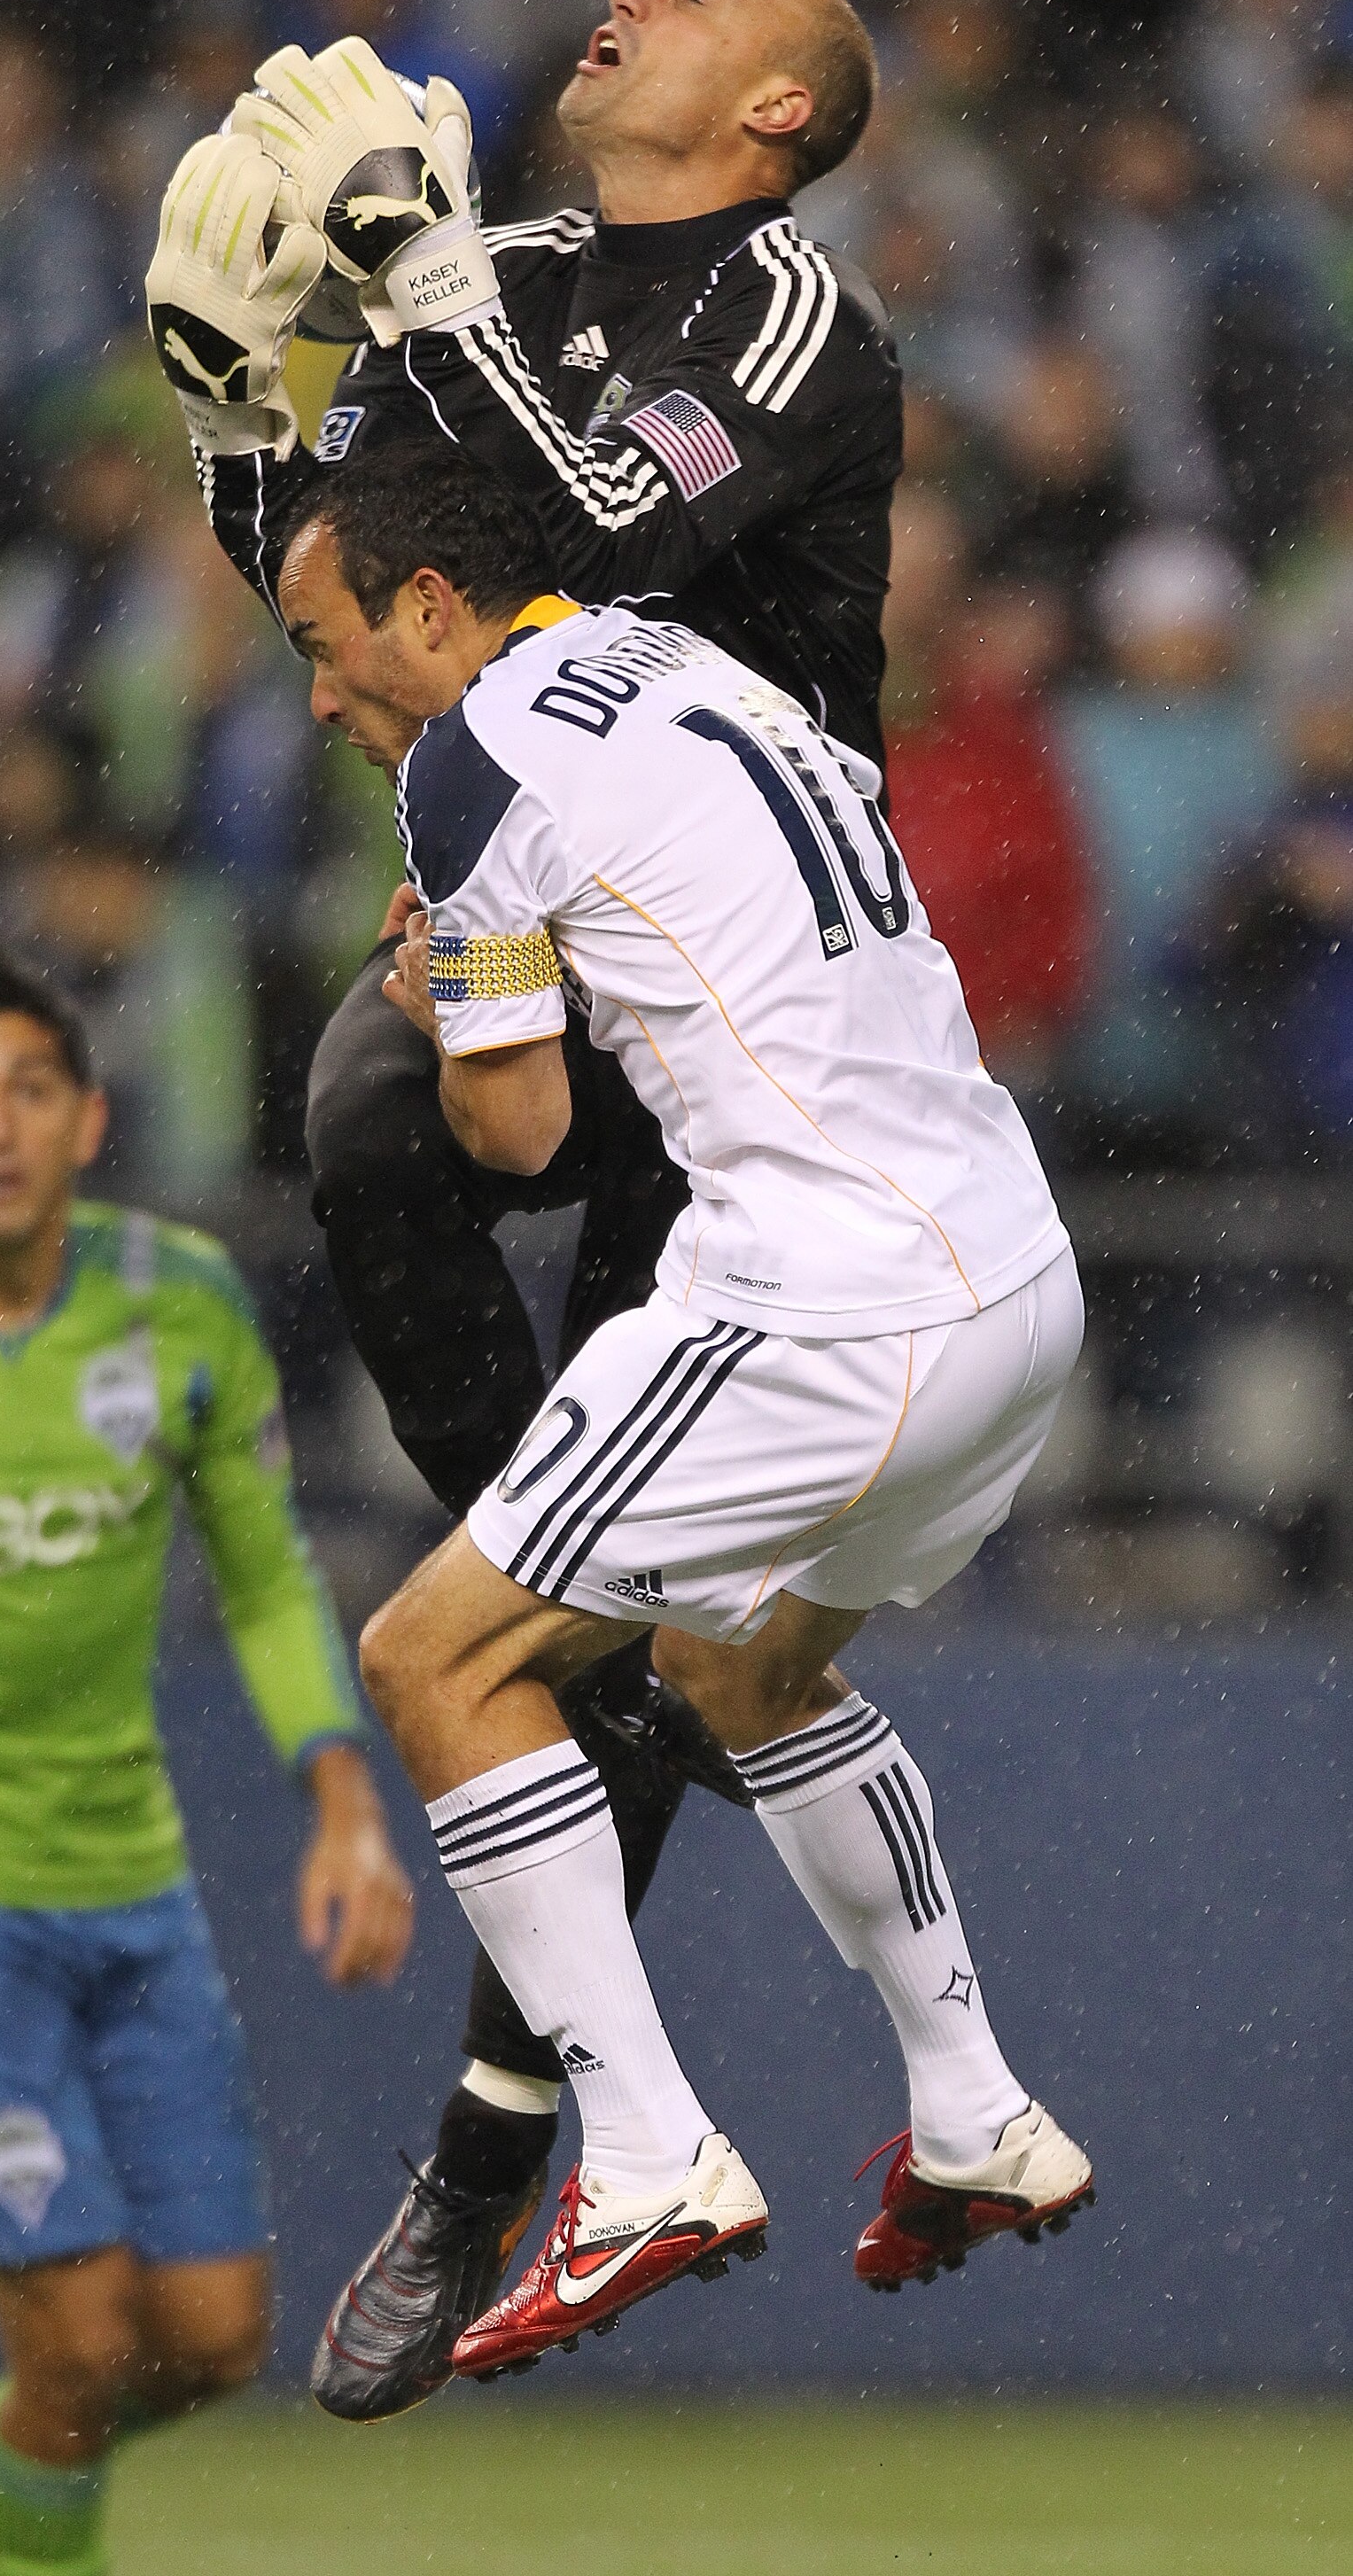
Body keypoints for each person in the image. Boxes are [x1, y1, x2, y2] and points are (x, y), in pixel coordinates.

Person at [145, 0, 1091, 2419]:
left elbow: (552, 538)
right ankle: (916, 2063)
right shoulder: (517, 286)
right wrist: (243, 424)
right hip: (708, 1003)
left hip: (736, 1013)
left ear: (778, 112)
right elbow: (371, 601)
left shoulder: (785, 324)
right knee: (385, 1170)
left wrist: (416, 290)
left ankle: (526, 2129)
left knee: (480, 1623)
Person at [276, 446, 1095, 2379]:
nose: (318, 692)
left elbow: (526, 1133)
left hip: (824, 1301)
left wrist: (454, 988)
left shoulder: (465, 763)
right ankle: (970, 2099)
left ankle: (639, 2152)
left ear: (423, 607)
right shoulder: (683, 660)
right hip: (1016, 1277)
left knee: (431, 1659)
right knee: (747, 1677)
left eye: (320, 643)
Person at [0, 949, 412, 2576]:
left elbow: (262, 1572)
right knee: (83, 2347)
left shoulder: (177, 1300)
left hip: (135, 1890)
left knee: (208, 2337)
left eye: (29, 1088)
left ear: (90, 1117)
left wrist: (341, 1795)